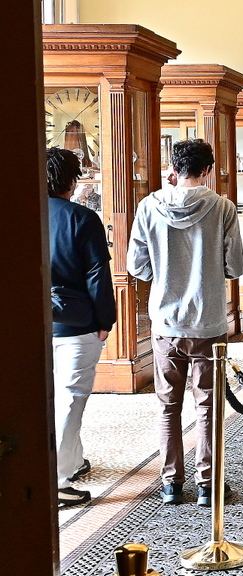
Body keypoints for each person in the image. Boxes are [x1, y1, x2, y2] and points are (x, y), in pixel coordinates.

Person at [127, 139, 243, 506]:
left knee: (167, 405)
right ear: (207, 169)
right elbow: (236, 267)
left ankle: (170, 484)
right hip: (208, 322)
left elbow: (136, 266)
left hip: (166, 323)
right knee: (208, 405)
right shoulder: (222, 208)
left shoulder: (149, 206)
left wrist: (164, 275)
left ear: (174, 168)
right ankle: (208, 485)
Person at [47, 147, 117, 508]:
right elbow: (97, 276)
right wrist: (106, 321)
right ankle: (56, 480)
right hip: (77, 324)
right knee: (70, 400)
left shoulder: (20, 214)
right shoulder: (82, 218)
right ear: (72, 180)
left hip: (35, 323)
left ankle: (71, 462)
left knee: (49, 399)